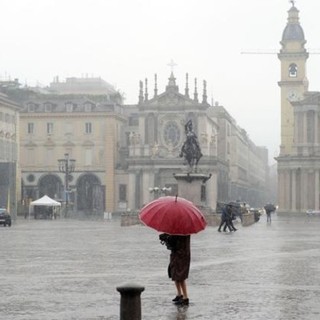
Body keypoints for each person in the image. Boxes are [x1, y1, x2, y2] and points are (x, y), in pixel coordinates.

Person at [159, 233, 191, 306]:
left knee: (181, 276)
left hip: (181, 255)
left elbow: (174, 242)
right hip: (177, 255)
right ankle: (179, 294)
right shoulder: (178, 230)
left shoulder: (183, 231)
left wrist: (166, 238)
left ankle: (185, 297)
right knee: (175, 274)